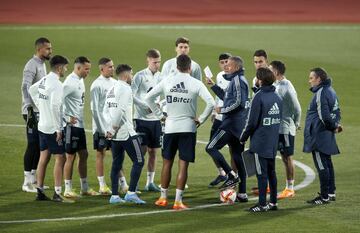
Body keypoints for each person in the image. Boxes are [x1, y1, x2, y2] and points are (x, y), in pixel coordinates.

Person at [146, 54, 215, 210]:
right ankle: (178, 201)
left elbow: (148, 98)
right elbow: (211, 103)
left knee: (166, 162)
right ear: (190, 68)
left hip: (170, 127)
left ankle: (163, 198)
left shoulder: (167, 81)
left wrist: (160, 116)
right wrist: (201, 119)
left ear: (176, 67)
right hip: (188, 128)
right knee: (183, 165)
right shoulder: (195, 83)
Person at [29, 55, 73, 203]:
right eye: (65, 67)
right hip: (51, 128)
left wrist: (40, 106)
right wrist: (58, 129)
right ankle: (57, 193)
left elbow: (32, 90)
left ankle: (40, 191)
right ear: (59, 68)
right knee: (60, 158)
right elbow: (55, 106)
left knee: (44, 157)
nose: (66, 70)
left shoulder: (45, 79)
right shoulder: (57, 84)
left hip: (42, 125)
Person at [205, 56, 250, 202]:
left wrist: (222, 110)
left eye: (229, 65)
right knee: (238, 157)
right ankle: (242, 194)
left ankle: (231, 175)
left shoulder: (237, 81)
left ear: (236, 67)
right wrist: (213, 86)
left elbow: (239, 103)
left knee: (211, 147)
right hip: (238, 126)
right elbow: (228, 97)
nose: (226, 67)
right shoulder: (236, 80)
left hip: (231, 125)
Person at [239, 67, 283, 212]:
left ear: (261, 80)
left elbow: (251, 122)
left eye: (257, 78)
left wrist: (243, 137)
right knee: (272, 172)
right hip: (272, 142)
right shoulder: (277, 97)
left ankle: (262, 204)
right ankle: (274, 202)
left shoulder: (258, 97)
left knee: (261, 174)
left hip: (260, 142)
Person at [105, 64, 146, 204]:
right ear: (126, 75)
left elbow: (106, 111)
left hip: (115, 136)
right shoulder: (125, 88)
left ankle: (115, 196)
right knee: (139, 161)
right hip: (126, 133)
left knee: (116, 163)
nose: (133, 77)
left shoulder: (112, 88)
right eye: (132, 74)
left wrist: (109, 128)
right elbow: (120, 110)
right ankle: (131, 193)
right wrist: (113, 128)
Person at [304, 68, 342, 205]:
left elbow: (324, 116)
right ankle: (331, 192)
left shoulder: (321, 93)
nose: (309, 81)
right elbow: (337, 111)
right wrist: (336, 126)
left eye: (311, 78)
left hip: (318, 135)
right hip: (326, 133)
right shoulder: (331, 90)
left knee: (322, 166)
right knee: (328, 163)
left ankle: (324, 196)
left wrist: (333, 127)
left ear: (319, 79)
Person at [90, 57, 128, 195]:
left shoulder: (115, 83)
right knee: (101, 154)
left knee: (117, 155)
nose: (113, 68)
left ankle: (123, 184)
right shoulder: (96, 85)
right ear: (102, 69)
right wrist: (100, 128)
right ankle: (102, 185)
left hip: (113, 127)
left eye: (113, 66)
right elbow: (94, 109)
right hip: (101, 127)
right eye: (110, 67)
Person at [62, 56, 98, 198]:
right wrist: (65, 118)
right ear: (78, 68)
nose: (88, 71)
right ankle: (67, 189)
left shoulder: (80, 80)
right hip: (71, 126)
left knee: (84, 154)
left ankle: (84, 187)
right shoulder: (70, 83)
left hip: (79, 125)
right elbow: (57, 100)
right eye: (86, 69)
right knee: (70, 157)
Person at [21, 37, 52, 193]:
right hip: (32, 112)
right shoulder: (31, 65)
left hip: (40, 111)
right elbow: (25, 87)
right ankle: (26, 182)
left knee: (38, 145)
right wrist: (30, 108)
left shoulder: (42, 64)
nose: (50, 51)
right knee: (32, 144)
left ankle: (33, 179)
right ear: (39, 49)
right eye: (47, 48)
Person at [269, 61, 301, 199]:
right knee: (272, 156)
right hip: (275, 127)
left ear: (276, 72)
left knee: (286, 157)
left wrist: (296, 123)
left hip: (285, 128)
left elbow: (297, 108)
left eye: (270, 70)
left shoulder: (287, 86)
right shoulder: (275, 84)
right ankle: (271, 185)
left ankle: (290, 188)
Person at [131, 49, 162, 192]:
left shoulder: (162, 77)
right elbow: (130, 95)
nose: (157, 64)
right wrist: (145, 105)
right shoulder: (139, 76)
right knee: (141, 152)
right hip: (141, 119)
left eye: (159, 62)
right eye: (154, 62)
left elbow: (164, 96)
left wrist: (159, 107)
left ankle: (150, 183)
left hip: (156, 120)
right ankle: (135, 182)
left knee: (154, 152)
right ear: (148, 61)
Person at [208, 52, 233, 187]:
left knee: (231, 148)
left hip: (229, 119)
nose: (225, 65)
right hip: (218, 117)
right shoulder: (218, 76)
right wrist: (214, 111)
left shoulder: (235, 79)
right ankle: (222, 173)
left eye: (227, 62)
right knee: (211, 145)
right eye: (222, 62)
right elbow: (218, 95)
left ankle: (233, 175)